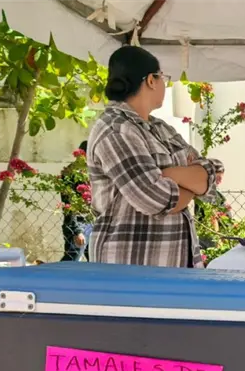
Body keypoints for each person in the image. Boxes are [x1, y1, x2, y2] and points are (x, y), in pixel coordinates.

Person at [87, 46, 224, 267]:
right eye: (163, 78)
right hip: (131, 270)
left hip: (173, 265)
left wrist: (170, 175)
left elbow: (211, 173)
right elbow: (156, 200)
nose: (164, 84)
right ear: (151, 80)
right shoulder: (116, 130)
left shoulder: (160, 128)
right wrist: (191, 183)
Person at [60, 140, 91, 262]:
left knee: (95, 261)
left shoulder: (90, 171)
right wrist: (76, 231)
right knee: (72, 259)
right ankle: (56, 278)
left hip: (91, 221)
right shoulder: (71, 173)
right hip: (78, 222)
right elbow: (68, 204)